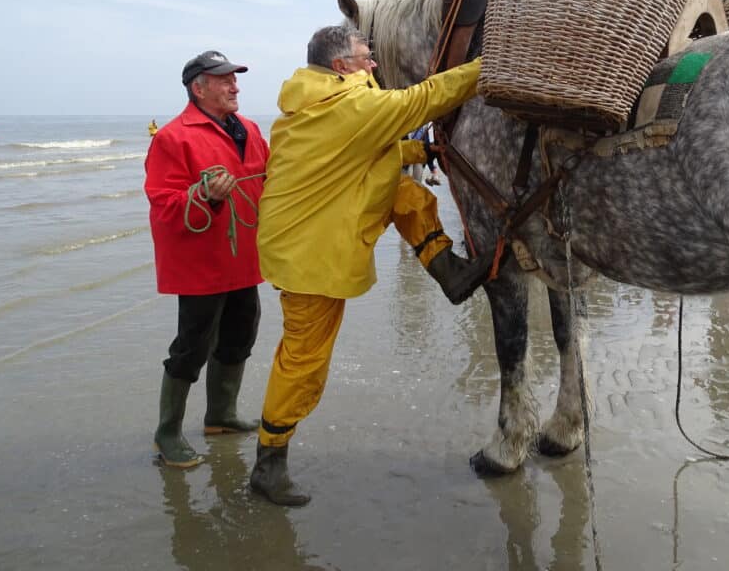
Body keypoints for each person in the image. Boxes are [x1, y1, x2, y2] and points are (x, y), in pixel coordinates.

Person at [249, 25, 492, 506]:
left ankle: (450, 274)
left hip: (305, 240)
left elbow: (362, 152)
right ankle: (268, 462)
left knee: (406, 193)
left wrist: (420, 150)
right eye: (366, 57)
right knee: (304, 362)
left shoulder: (320, 103)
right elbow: (423, 99)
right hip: (310, 257)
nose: (374, 64)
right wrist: (493, 64)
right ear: (341, 66)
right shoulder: (347, 105)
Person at [144, 51, 270, 468]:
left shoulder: (250, 130)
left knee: (241, 335)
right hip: (201, 265)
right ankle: (167, 434)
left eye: (235, 79)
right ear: (198, 88)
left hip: (244, 259)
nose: (235, 86)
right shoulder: (172, 138)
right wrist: (205, 196)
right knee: (191, 348)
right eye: (224, 80)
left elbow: (272, 180)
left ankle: (220, 415)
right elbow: (163, 205)